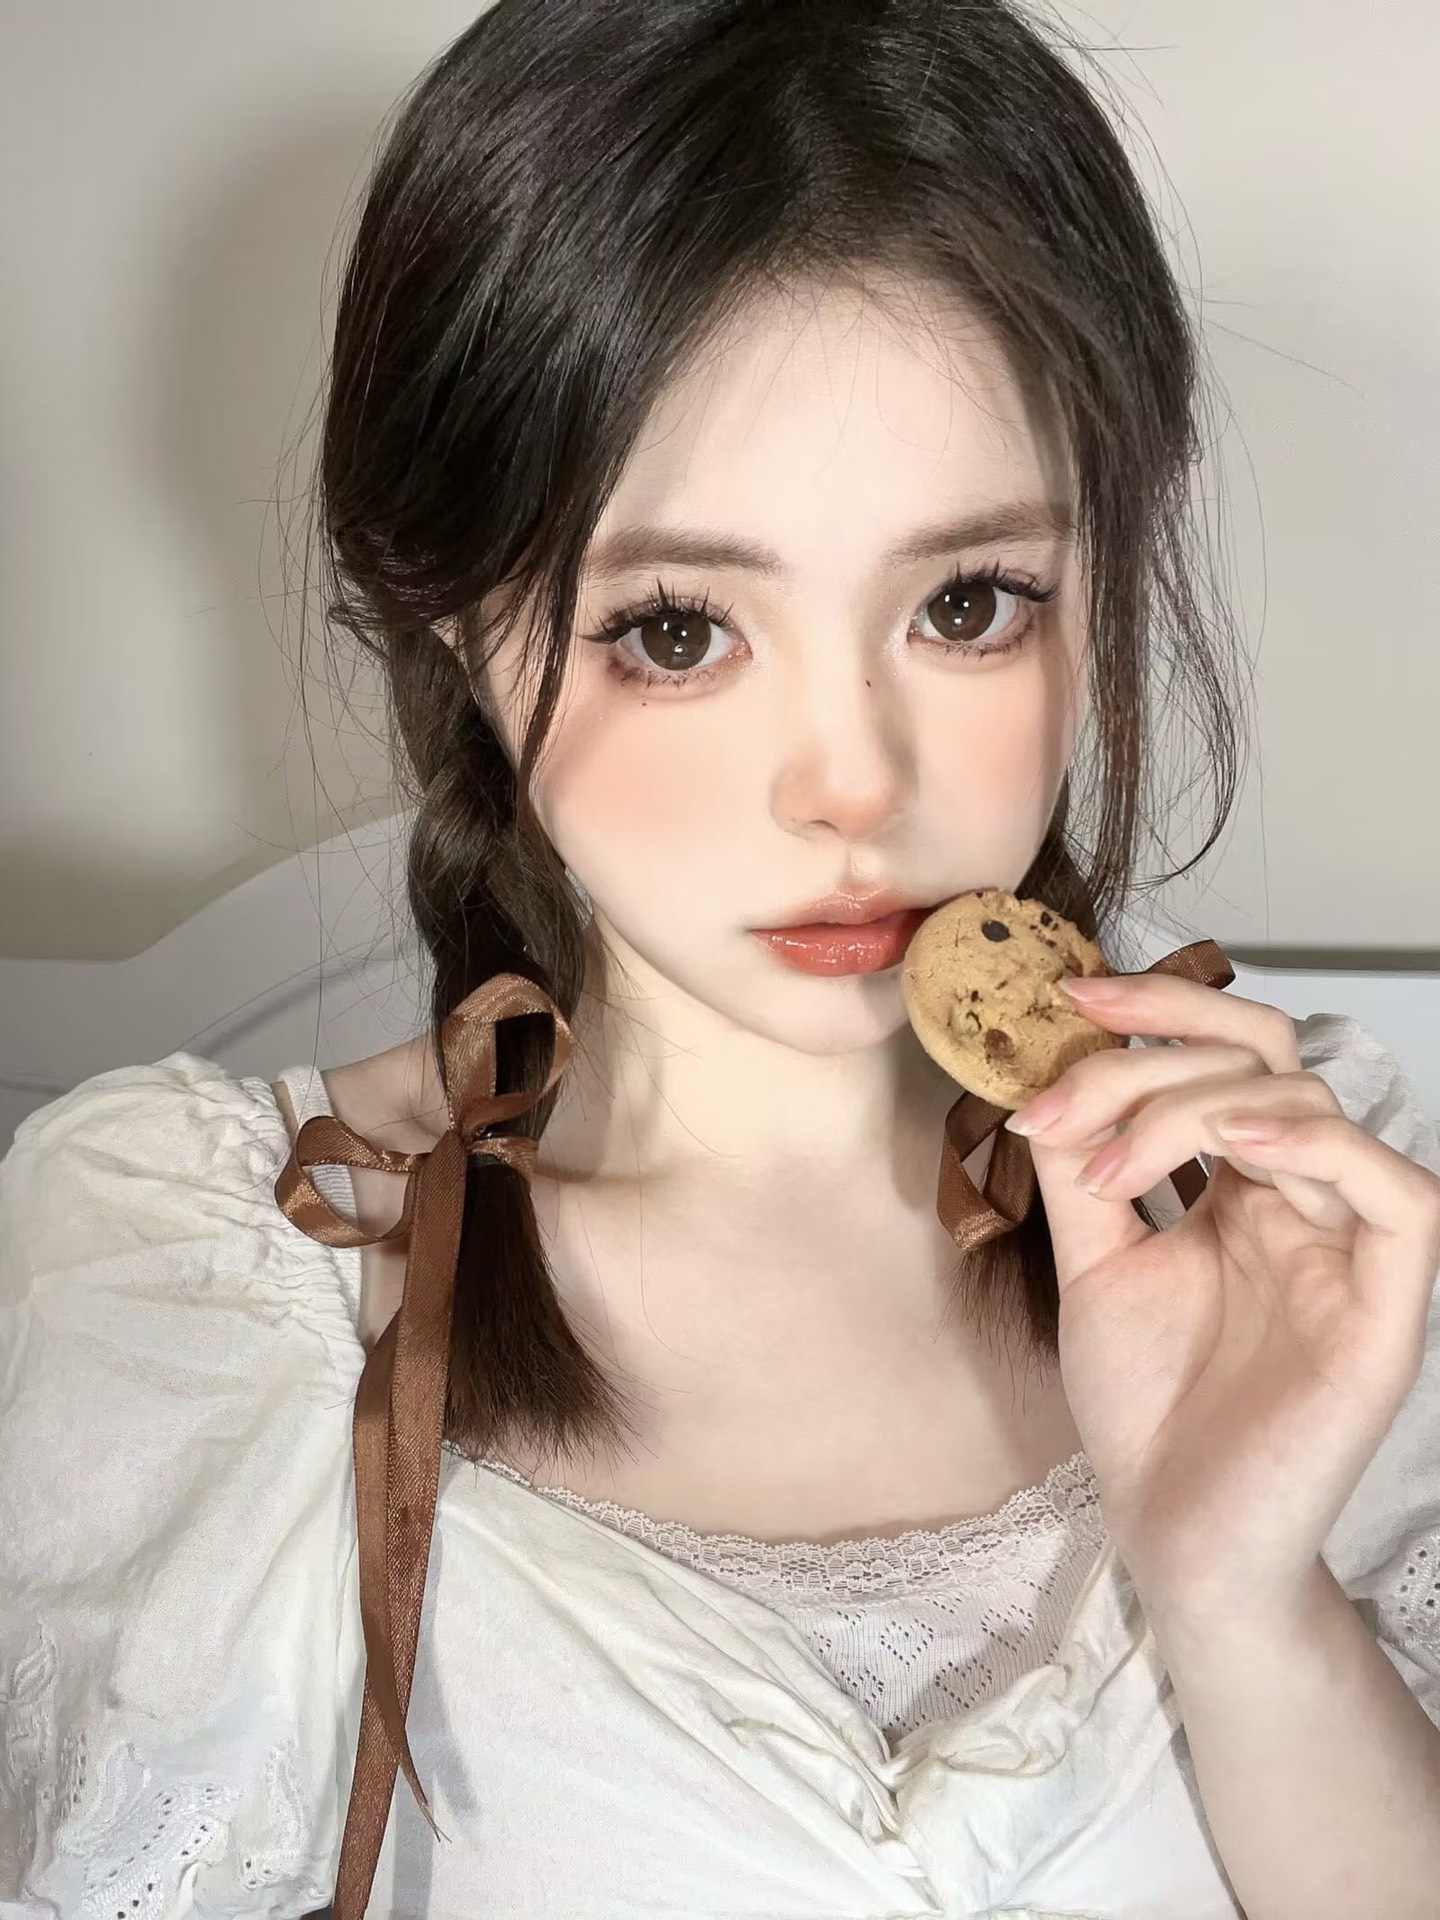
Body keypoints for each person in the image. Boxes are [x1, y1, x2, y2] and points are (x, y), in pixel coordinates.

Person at [3, 1, 1439, 1914]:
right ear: (454, 623)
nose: (855, 783)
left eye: (968, 603)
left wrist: (1244, 1595)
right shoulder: (214, 1273)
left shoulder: (1303, 1211)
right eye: (678, 629)